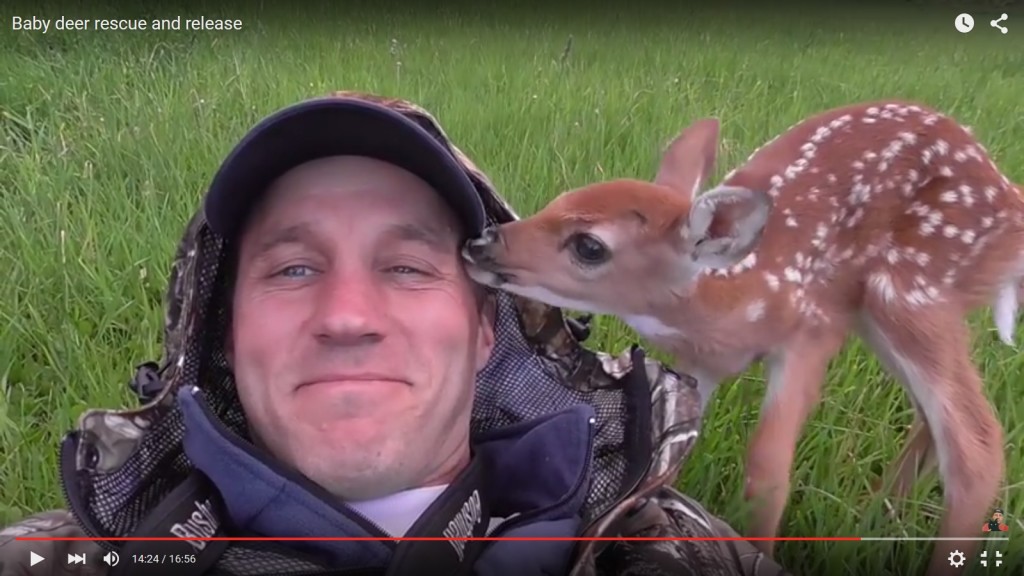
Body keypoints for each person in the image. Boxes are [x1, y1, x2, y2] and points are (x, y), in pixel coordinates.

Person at [0, 91, 792, 576]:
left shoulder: (671, 555)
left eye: (410, 269)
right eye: (292, 270)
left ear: (488, 328)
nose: (347, 318)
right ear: (222, 331)